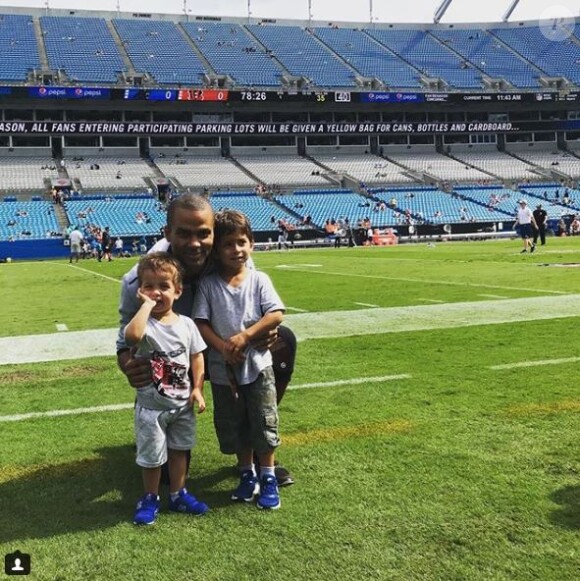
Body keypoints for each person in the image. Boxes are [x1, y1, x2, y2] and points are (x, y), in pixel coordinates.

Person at [116, 193, 295, 487]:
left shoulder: (232, 256)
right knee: (147, 359)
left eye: (203, 234)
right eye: (184, 234)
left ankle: (256, 443)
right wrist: (126, 361)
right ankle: (158, 436)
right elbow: (125, 334)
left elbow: (257, 308)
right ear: (167, 233)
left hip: (228, 350)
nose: (195, 243)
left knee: (283, 342)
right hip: (175, 358)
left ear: (214, 231)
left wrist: (264, 332)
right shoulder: (140, 280)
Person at [194, 210, 285, 510]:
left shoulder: (259, 279)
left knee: (263, 419)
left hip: (258, 366)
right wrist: (222, 346)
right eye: (228, 244)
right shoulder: (208, 285)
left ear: (252, 244)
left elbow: (275, 314)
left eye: (242, 242)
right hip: (223, 371)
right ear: (217, 251)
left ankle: (268, 475)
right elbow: (201, 323)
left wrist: (245, 337)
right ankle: (246, 473)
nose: (237, 250)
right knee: (235, 423)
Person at [123, 252, 209, 525]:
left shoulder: (187, 325)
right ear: (140, 291)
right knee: (151, 456)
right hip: (152, 407)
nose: (156, 292)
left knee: (179, 450)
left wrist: (197, 388)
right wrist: (146, 306)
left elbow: (196, 356)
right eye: (149, 286)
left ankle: (178, 493)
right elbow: (132, 337)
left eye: (164, 286)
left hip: (182, 405)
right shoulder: (144, 323)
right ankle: (149, 497)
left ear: (178, 290)